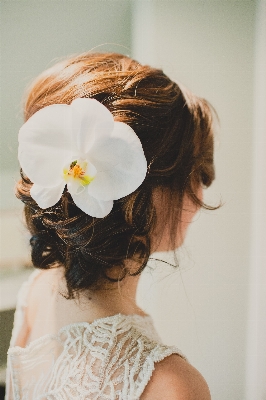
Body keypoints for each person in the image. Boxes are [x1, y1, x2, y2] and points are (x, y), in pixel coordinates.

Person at [5, 52, 216, 399]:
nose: (200, 192)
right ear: (144, 189)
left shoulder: (38, 290)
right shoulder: (171, 385)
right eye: (197, 174)